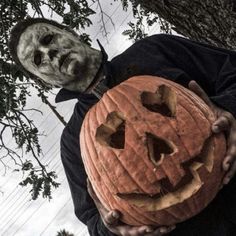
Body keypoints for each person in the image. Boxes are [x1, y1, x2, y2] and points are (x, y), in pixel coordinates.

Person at [8, 17, 236, 236]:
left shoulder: (154, 50)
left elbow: (231, 70)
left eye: (48, 39)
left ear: (70, 32)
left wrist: (228, 109)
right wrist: (111, 228)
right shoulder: (73, 141)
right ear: (43, 80)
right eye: (38, 59)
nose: (50, 53)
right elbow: (93, 218)